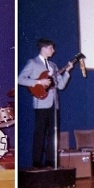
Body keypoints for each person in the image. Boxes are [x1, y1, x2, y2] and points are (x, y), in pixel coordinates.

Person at [17, 38, 73, 168]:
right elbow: (20, 79)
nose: (53, 51)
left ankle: (50, 161)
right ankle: (36, 162)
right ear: (43, 48)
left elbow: (61, 86)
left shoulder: (53, 65)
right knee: (40, 132)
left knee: (53, 133)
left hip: (54, 104)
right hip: (41, 102)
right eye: (51, 48)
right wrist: (39, 82)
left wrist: (67, 72)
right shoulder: (33, 63)